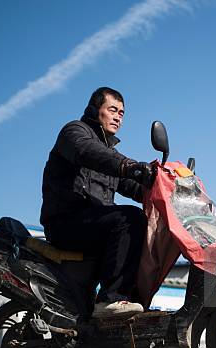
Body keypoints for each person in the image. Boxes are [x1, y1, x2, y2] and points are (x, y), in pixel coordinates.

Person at [40, 87, 153, 317]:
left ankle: (127, 304)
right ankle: (111, 300)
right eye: (112, 110)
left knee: (146, 226)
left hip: (92, 226)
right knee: (130, 218)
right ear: (94, 110)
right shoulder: (74, 133)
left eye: (122, 113)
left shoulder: (109, 154)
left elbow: (132, 186)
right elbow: (86, 151)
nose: (118, 117)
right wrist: (129, 166)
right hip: (66, 223)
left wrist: (161, 185)